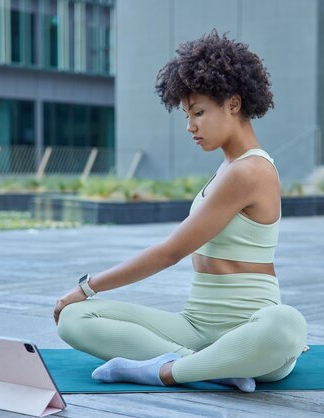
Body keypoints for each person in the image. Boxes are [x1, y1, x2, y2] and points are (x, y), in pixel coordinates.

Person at [53, 30, 307, 392]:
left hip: (250, 324)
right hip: (195, 326)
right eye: (187, 114)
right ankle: (213, 366)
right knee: (74, 320)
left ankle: (168, 370)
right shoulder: (227, 168)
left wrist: (87, 287)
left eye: (199, 112)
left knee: (285, 324)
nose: (190, 126)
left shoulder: (250, 170)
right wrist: (81, 299)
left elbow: (171, 252)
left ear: (234, 104)